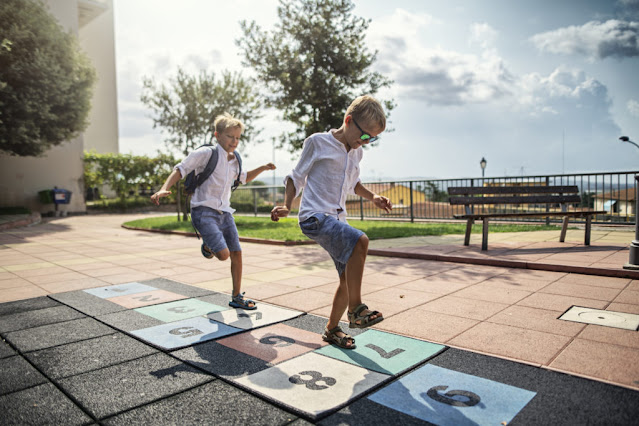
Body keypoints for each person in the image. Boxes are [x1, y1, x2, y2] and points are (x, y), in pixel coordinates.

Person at [270, 95, 392, 349]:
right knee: (360, 240)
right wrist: (287, 204)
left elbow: (353, 184)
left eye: (372, 139)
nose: (366, 142)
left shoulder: (356, 153)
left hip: (337, 218)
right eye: (365, 136)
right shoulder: (317, 143)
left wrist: (374, 197)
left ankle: (332, 329)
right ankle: (356, 310)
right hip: (315, 216)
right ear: (348, 121)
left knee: (347, 278)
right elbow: (296, 177)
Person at [151, 113, 275, 310]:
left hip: (225, 212)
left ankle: (236, 296)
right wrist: (164, 187)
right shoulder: (206, 154)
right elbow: (180, 169)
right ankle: (209, 247)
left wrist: (262, 168)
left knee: (237, 252)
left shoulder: (235, 160)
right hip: (203, 210)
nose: (234, 141)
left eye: (237, 137)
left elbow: (243, 178)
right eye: (229, 136)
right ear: (217, 135)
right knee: (224, 255)